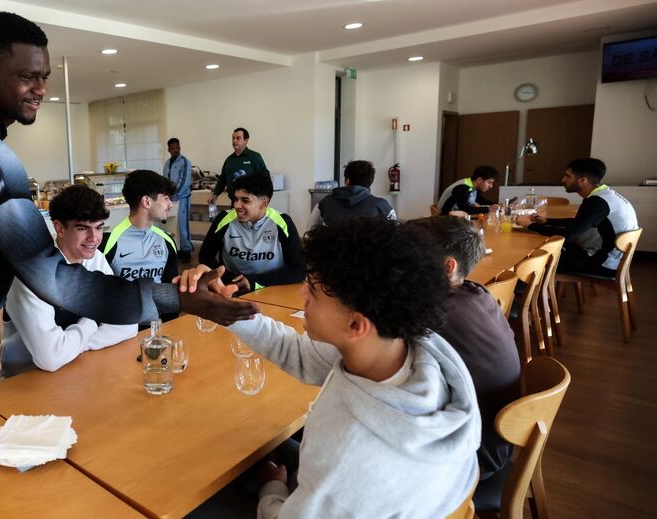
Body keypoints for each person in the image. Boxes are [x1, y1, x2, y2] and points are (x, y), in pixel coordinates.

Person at [0, 11, 256, 410]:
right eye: (27, 76)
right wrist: (179, 300)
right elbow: (55, 279)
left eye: (45, 76)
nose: (41, 89)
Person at [187, 219, 480, 517]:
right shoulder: (411, 349)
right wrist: (228, 312)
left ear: (355, 324)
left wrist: (272, 490)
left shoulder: (347, 454)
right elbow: (299, 354)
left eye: (312, 291)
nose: (302, 295)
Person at [408, 215, 520, 505]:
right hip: (496, 442)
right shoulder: (477, 293)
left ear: (448, 267)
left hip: (468, 457)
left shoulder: (434, 316)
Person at [0, 185, 137, 377]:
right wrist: (94, 321)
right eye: (83, 228)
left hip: (78, 367)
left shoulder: (95, 258)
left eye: (99, 227)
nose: (94, 238)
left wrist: (69, 345)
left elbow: (128, 322)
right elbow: (50, 358)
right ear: (59, 228)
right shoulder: (30, 273)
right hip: (25, 380)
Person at [520, 158, 638, 277]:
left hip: (603, 264)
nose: (563, 180)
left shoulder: (596, 202)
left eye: (567, 176)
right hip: (615, 260)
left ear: (582, 180)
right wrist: (547, 221)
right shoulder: (605, 195)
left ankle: (524, 292)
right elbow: (579, 223)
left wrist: (530, 226)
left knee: (535, 256)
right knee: (546, 247)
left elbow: (568, 236)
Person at [199, 172, 304, 293]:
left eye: (245, 200)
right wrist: (234, 281)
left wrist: (255, 281)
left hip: (270, 289)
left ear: (264, 203)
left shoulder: (282, 223)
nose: (237, 205)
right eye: (236, 199)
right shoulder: (224, 219)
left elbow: (299, 270)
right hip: (232, 289)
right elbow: (205, 257)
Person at [102, 170, 179, 323]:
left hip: (156, 329)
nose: (170, 204)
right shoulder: (108, 241)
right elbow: (98, 294)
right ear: (147, 202)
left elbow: (172, 294)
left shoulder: (167, 241)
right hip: (117, 329)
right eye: (165, 198)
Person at [306, 159, 396, 229]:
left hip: (332, 252)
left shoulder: (323, 204)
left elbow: (309, 235)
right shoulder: (383, 207)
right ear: (370, 182)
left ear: (347, 180)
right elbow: (395, 240)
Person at [207, 127, 269, 204]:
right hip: (235, 202)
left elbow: (265, 178)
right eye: (233, 138)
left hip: (252, 203)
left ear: (246, 141)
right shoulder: (229, 160)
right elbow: (222, 180)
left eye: (238, 138)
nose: (234, 141)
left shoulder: (254, 157)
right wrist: (215, 195)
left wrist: (264, 198)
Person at [163, 137, 193, 262]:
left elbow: (184, 182)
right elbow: (164, 180)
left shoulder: (185, 162)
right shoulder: (167, 163)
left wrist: (172, 193)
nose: (175, 150)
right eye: (172, 148)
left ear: (179, 148)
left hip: (181, 198)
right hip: (170, 199)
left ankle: (186, 251)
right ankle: (178, 249)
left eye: (177, 148)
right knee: (172, 226)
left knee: (182, 225)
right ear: (168, 149)